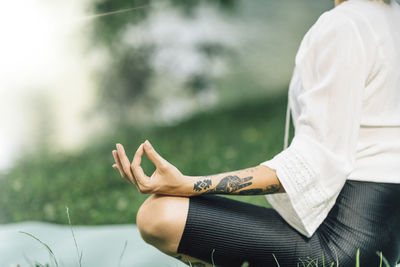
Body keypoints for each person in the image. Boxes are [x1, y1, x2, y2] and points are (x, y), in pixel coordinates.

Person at [111, 0, 400, 266]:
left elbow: (311, 165)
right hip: (385, 245)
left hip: (343, 249)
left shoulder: (344, 25)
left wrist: (185, 184)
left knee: (158, 215)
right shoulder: (391, 17)